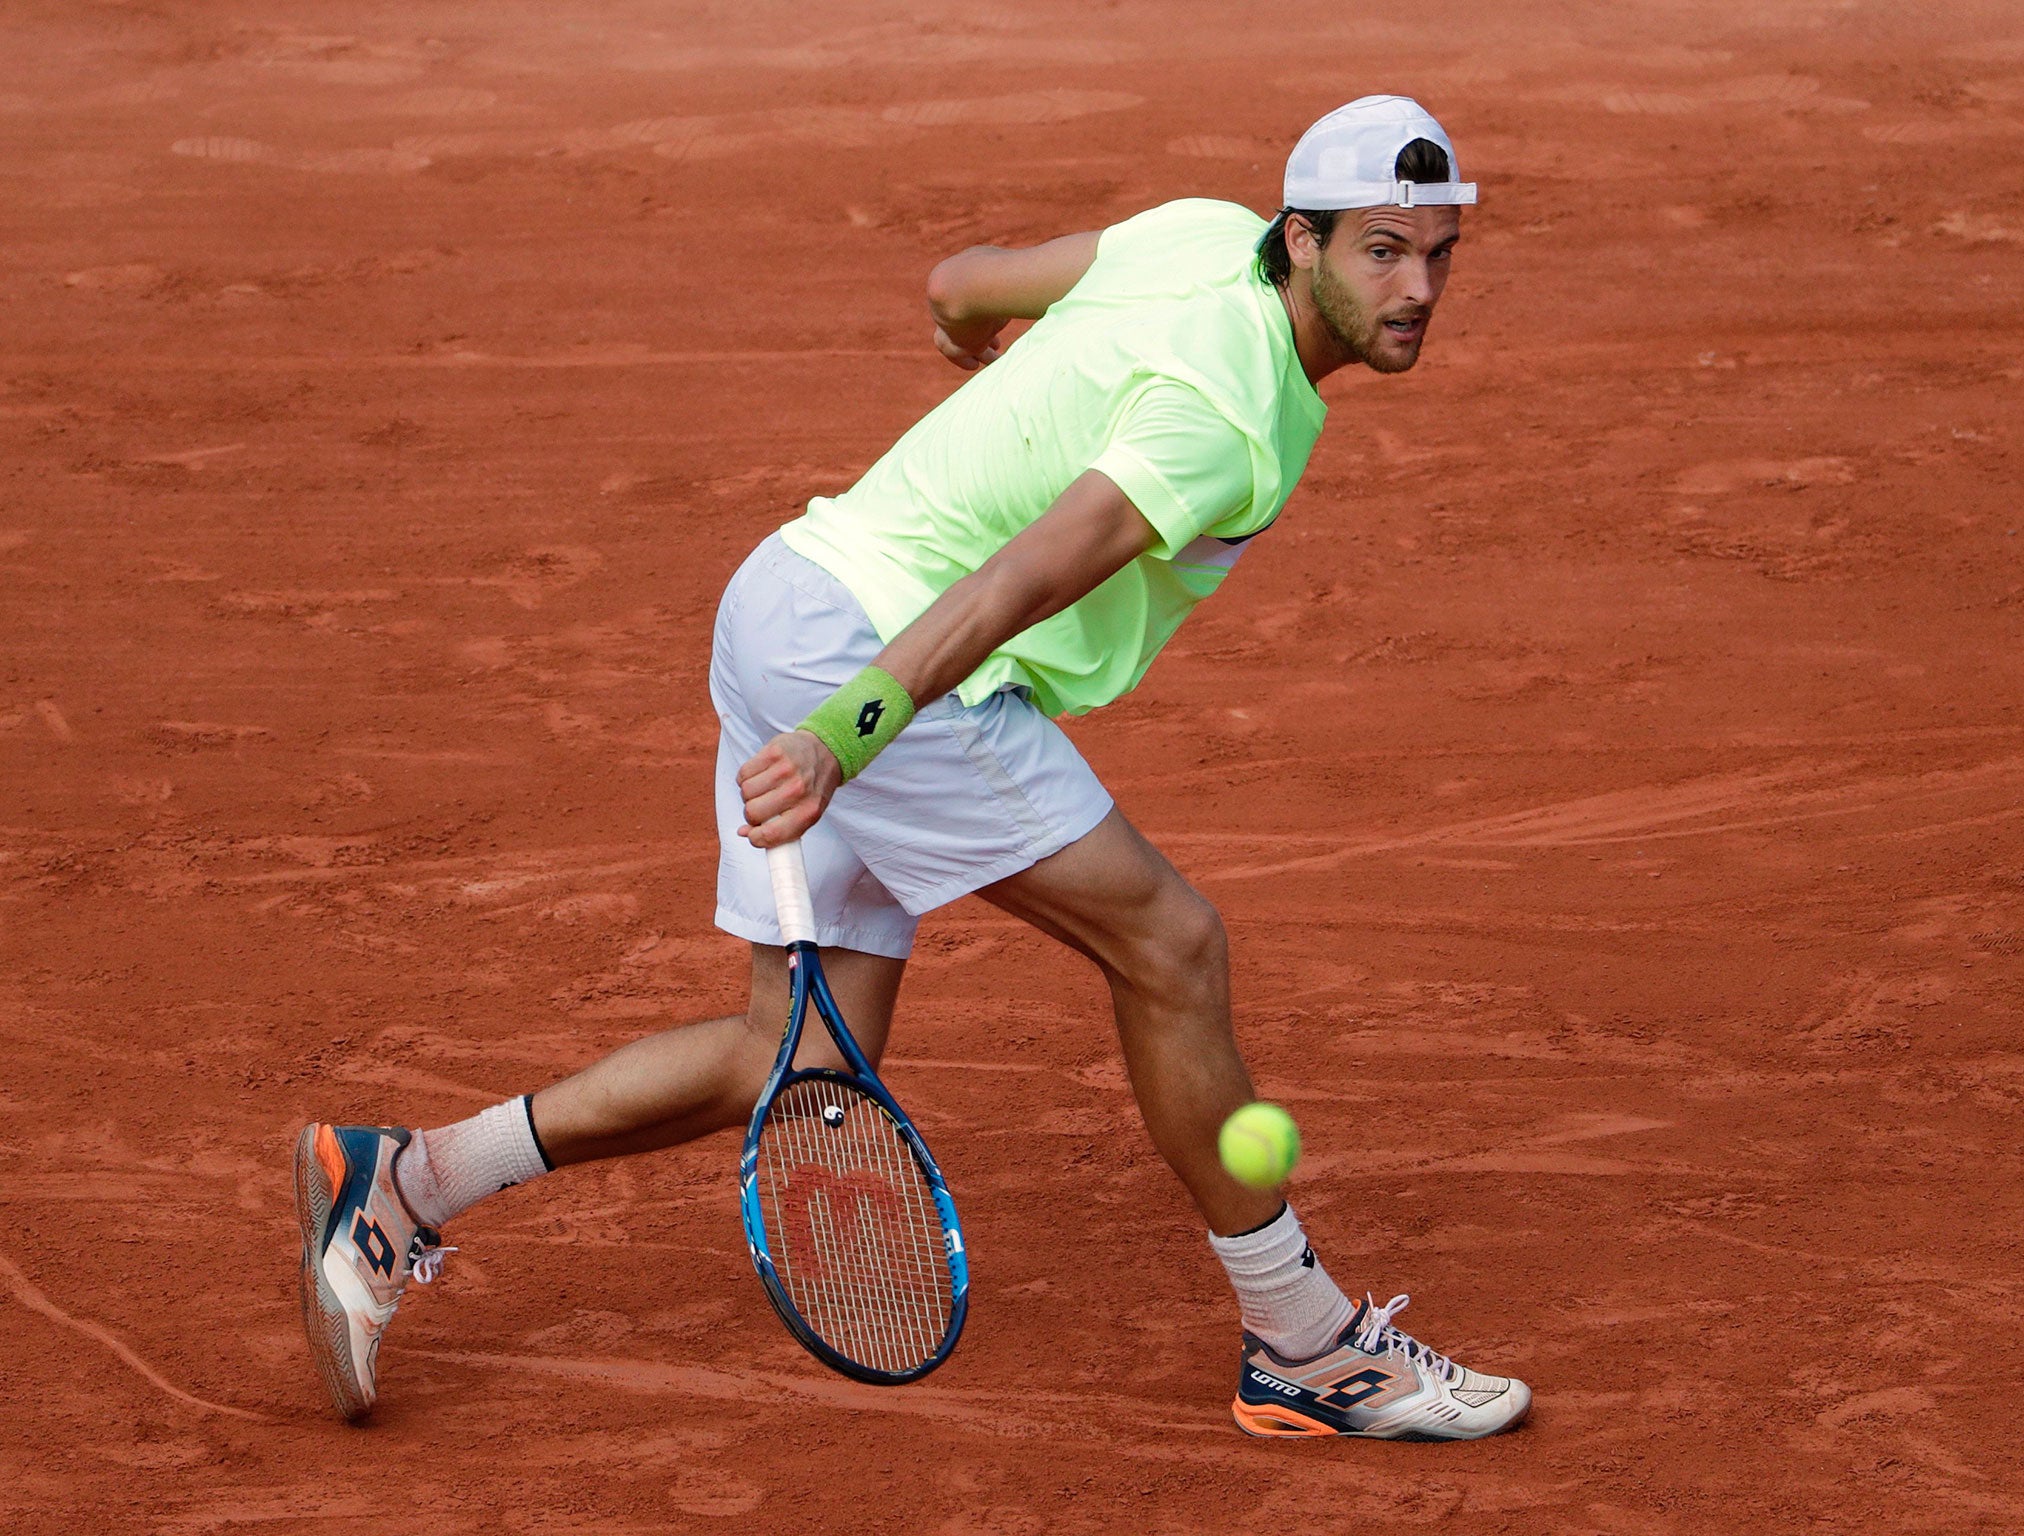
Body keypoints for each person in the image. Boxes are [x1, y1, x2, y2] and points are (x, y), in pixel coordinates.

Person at [294, 94, 1531, 1440]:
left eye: (1437, 255)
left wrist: (968, 335)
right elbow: (1024, 575)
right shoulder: (1225, 416)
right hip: (880, 669)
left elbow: (963, 286)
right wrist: (846, 735)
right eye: (1381, 253)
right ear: (1302, 239)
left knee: (791, 1056)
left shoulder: (1193, 234)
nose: (1416, 289)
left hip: (784, 595)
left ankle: (404, 1181)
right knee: (1170, 946)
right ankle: (1305, 1344)